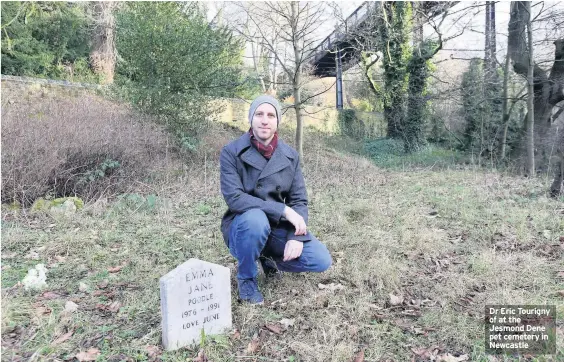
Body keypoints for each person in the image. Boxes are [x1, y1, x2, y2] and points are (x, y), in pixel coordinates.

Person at [219, 95, 332, 304]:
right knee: (256, 220)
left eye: (271, 115)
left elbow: (299, 201)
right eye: (259, 114)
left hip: (276, 228)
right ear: (250, 118)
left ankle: (266, 258)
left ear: (277, 121)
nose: (265, 120)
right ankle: (246, 278)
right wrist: (282, 210)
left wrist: (296, 237)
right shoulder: (231, 152)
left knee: (320, 259)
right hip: (243, 227)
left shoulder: (290, 156)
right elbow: (235, 198)